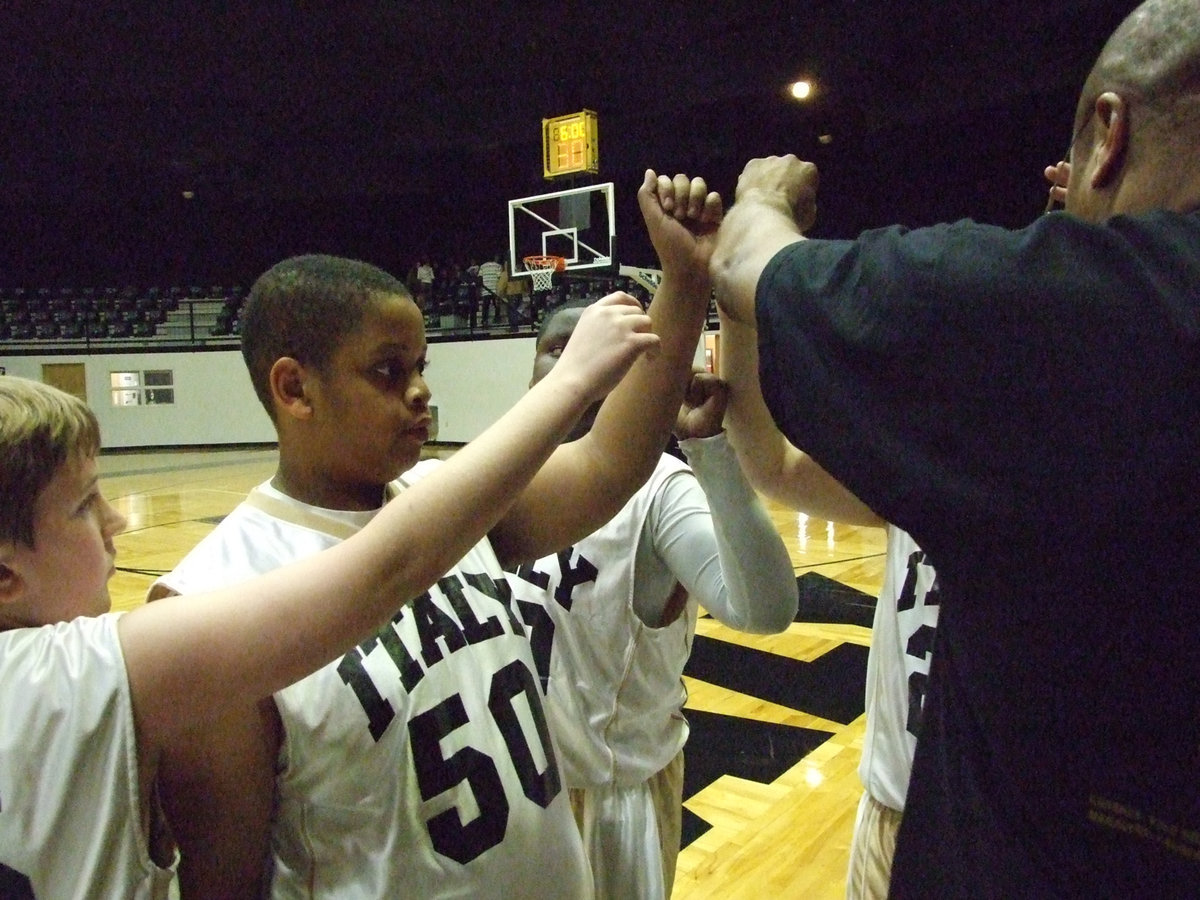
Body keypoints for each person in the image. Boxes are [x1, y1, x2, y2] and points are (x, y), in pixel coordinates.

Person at [705, 1, 1200, 893]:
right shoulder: (983, 426)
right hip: (922, 803)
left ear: (1108, 135)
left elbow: (759, 272)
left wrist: (755, 217)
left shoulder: (1030, 345)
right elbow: (774, 463)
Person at [150, 170, 721, 898]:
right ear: (295, 389)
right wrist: (568, 382)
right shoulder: (209, 601)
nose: (420, 391)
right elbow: (224, 883)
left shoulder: (447, 500)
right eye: (388, 372)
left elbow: (611, 461)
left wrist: (685, 281)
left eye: (420, 366)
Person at [0, 316, 657, 897]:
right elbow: (381, 569)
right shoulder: (62, 672)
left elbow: (604, 466)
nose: (115, 520)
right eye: (86, 503)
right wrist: (570, 382)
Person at [505, 299, 798, 899]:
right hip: (513, 789)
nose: (575, 362)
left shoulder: (659, 491)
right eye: (557, 347)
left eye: (598, 347)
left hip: (610, 798)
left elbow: (767, 610)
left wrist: (712, 452)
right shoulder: (499, 472)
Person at [718, 313, 940, 899]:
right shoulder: (924, 477)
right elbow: (772, 465)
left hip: (1009, 831)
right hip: (894, 815)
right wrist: (732, 304)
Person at [478, 253, 506, 325]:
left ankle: (484, 320)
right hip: (495, 289)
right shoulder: (497, 266)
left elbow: (480, 277)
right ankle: (497, 318)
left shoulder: (482, 266)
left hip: (486, 289)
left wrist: (481, 288)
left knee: (485, 306)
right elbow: (499, 277)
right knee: (496, 305)